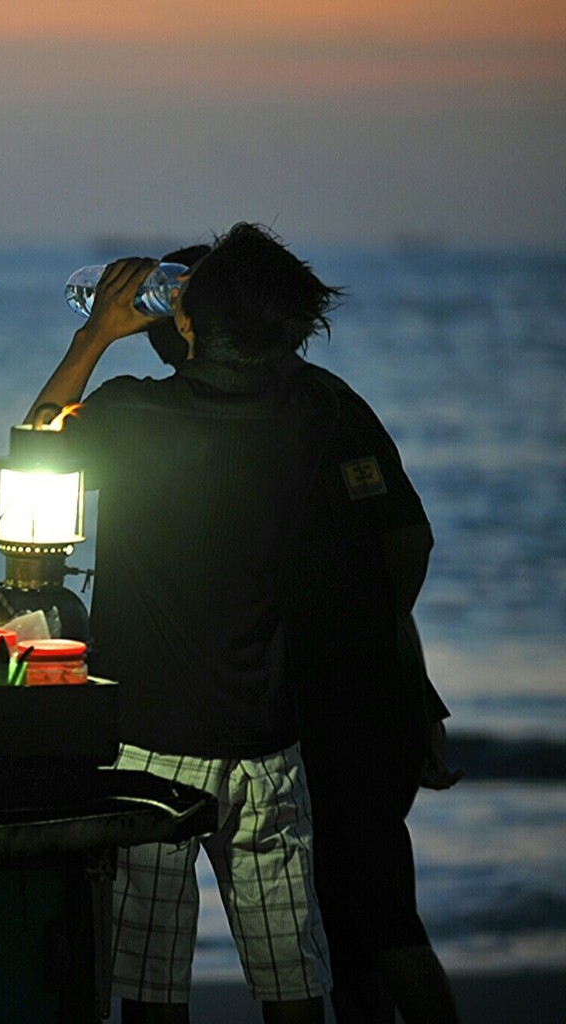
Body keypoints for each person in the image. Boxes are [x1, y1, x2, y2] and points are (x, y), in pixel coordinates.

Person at [23, 223, 339, 1024]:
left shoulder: (135, 414)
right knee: (293, 983)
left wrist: (97, 333)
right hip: (266, 745)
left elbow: (33, 450)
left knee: (151, 990)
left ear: (186, 321)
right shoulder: (310, 416)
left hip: (148, 748)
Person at [149, 244, 465, 1024]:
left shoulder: (315, 406)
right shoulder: (239, 409)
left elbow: (405, 543)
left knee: (379, 920)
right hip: (306, 706)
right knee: (341, 934)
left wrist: (384, 671)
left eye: (183, 303)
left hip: (338, 713)